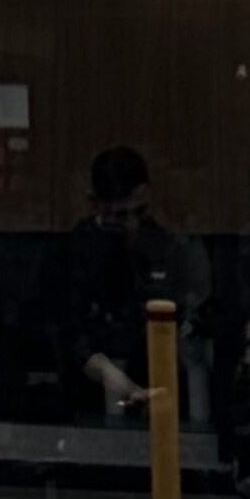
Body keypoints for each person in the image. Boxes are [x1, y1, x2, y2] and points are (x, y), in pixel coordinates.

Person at [62, 145, 211, 419]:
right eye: (119, 217)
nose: (132, 225)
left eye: (140, 212)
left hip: (161, 378)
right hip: (92, 394)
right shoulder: (76, 249)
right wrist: (105, 371)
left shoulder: (165, 244)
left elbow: (192, 306)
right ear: (95, 204)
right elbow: (66, 327)